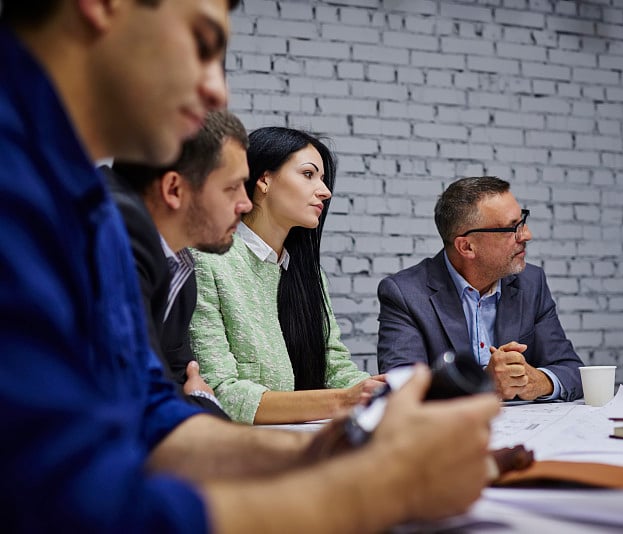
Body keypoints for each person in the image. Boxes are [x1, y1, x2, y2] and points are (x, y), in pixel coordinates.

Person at [0, 1, 499, 531]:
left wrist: (332, 451)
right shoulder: (28, 184)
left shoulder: (85, 201)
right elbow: (64, 504)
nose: (217, 89)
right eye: (203, 41)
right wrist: (377, 486)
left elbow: (150, 416)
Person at [190, 126, 384, 424]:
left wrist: (379, 391)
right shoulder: (207, 261)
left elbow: (334, 369)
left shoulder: (309, 274)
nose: (325, 191)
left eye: (322, 179)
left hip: (309, 441)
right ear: (264, 180)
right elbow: (219, 393)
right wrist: (343, 400)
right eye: (309, 174)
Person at [377, 176, 584, 401]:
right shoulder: (405, 294)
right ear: (467, 246)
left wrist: (539, 381)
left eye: (522, 220)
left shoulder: (531, 282)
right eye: (512, 228)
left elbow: (572, 370)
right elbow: (402, 391)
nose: (526, 235)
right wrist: (484, 384)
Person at [103, 109, 253, 419]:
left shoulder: (180, 264)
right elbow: (144, 398)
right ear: (174, 189)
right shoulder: (114, 226)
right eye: (232, 188)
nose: (246, 204)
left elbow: (176, 376)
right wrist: (202, 402)